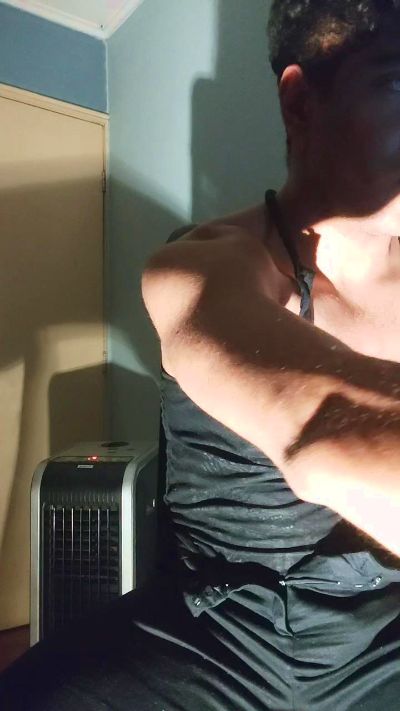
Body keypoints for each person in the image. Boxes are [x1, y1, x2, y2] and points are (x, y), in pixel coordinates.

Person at [2, 1, 400, 709]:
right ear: (301, 101)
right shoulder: (199, 265)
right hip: (213, 640)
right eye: (396, 84)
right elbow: (323, 424)